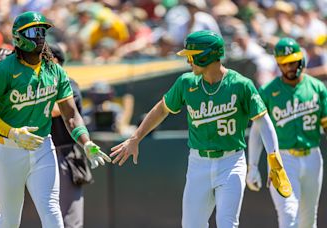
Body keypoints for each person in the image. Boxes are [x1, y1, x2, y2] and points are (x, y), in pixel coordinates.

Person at [110, 30, 292, 228]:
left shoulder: (240, 84)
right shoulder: (187, 82)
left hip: (231, 162)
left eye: (192, 56)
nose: (189, 61)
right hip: (199, 163)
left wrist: (273, 157)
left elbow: (263, 121)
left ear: (206, 56)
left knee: (227, 224)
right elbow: (161, 109)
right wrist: (136, 138)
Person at [0, 11, 111, 228]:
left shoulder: (55, 70)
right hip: (8, 147)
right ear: (18, 37)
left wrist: (86, 142)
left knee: (52, 210)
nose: (41, 36)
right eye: (35, 31)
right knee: (9, 220)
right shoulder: (4, 70)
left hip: (43, 145)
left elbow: (70, 114)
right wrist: (12, 132)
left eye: (43, 30)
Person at [246, 37, 327, 228]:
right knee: (289, 215)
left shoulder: (317, 87)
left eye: (292, 62)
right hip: (282, 159)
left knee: (308, 220)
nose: (289, 67)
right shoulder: (268, 91)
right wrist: (253, 165)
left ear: (301, 59)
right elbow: (257, 131)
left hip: (312, 156)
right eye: (284, 64)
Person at [49, 43, 91, 228]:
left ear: (55, 60)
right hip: (45, 154)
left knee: (70, 220)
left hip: (66, 155)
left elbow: (56, 110)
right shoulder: (39, 85)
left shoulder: (68, 83)